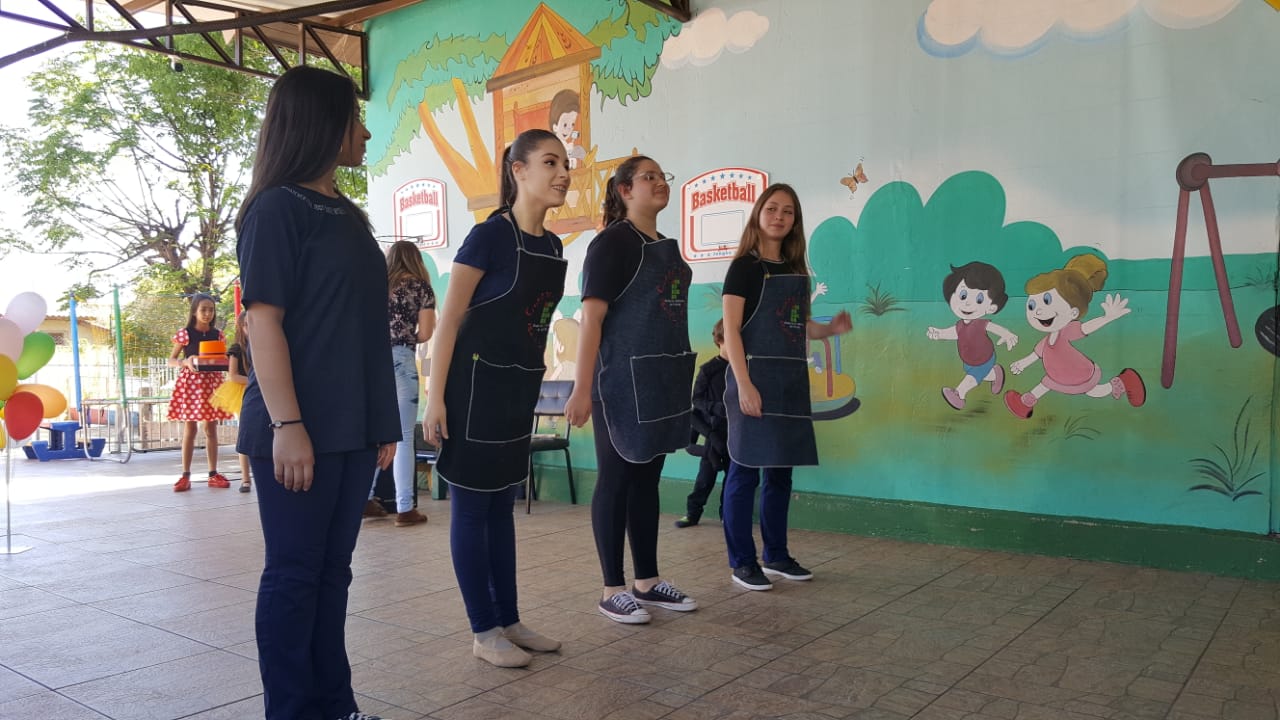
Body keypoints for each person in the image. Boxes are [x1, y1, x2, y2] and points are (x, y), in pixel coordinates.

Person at [235, 65, 399, 720]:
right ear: (322, 123)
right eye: (355, 119)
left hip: (351, 427)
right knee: (296, 574)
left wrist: (380, 423)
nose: (364, 132)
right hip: (296, 427)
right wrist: (288, 425)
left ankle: (337, 706)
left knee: (333, 573)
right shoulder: (276, 208)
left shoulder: (347, 214)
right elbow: (263, 323)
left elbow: (362, 328)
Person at [423, 128, 568, 668]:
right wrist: (435, 399)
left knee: (503, 505)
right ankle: (483, 631)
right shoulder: (487, 237)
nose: (563, 174)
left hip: (517, 388)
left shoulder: (553, 246)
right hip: (472, 389)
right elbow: (449, 322)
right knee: (472, 507)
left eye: (565, 164)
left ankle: (509, 620)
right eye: (550, 162)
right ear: (518, 170)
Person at [564, 156, 698, 625]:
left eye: (663, 177)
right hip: (619, 383)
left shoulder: (663, 246)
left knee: (646, 479)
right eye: (649, 177)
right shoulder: (612, 243)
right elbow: (591, 320)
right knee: (616, 479)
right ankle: (612, 589)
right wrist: (582, 388)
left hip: (660, 380)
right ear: (624, 190)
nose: (660, 183)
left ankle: (647, 581)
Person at [720, 183, 852, 592]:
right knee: (744, 471)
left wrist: (829, 329)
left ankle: (775, 555)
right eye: (772, 208)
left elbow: (797, 326)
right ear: (758, 214)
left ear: (795, 221)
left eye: (788, 211)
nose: (779, 216)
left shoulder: (795, 272)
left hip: (789, 382)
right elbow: (732, 330)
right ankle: (742, 562)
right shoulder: (744, 268)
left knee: (780, 473)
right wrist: (744, 384)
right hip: (754, 380)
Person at [1004, 254, 1146, 418]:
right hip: (1057, 375)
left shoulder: (1066, 331)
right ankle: (1024, 403)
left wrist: (1107, 318)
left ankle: (1124, 381)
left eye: (1047, 300)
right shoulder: (1048, 339)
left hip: (1078, 372)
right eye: (1032, 305)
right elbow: (1037, 354)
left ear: (1073, 312)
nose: (1038, 311)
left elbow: (1086, 328)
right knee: (1045, 385)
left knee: (1096, 391)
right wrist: (1023, 363)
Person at [365, 240, 436, 527]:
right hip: (401, 361)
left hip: (372, 363)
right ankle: (405, 508)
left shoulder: (375, 286)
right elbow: (426, 332)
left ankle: (365, 498)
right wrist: (406, 337)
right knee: (404, 436)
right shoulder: (420, 287)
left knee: (377, 434)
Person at [925, 262, 1018, 410]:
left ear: (991, 307)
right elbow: (954, 333)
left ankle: (959, 395)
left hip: (984, 359)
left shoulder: (980, 324)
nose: (967, 303)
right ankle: (995, 374)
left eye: (979, 299)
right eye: (963, 296)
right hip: (969, 360)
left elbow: (993, 327)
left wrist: (1006, 334)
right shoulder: (960, 325)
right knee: (979, 374)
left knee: (972, 378)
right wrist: (939, 334)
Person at [167, 293, 233, 492]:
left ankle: (213, 474)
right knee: (190, 429)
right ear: (194, 311)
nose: (207, 313)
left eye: (211, 310)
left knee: (211, 429)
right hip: (192, 385)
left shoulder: (218, 334)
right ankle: (185, 475)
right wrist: (185, 362)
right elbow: (171, 360)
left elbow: (222, 357)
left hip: (212, 384)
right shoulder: (185, 333)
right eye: (203, 309)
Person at [675, 319, 729, 528]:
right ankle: (692, 513)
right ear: (720, 339)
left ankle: (728, 514)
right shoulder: (708, 370)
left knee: (733, 478)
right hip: (712, 433)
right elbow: (696, 400)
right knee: (705, 478)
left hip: (736, 433)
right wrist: (715, 408)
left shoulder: (742, 368)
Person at [209, 310, 254, 492]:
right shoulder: (237, 349)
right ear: (241, 328)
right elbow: (233, 376)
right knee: (245, 432)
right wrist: (255, 380)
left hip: (258, 389)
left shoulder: (263, 345)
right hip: (243, 391)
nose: (251, 329)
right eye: (247, 325)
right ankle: (245, 478)